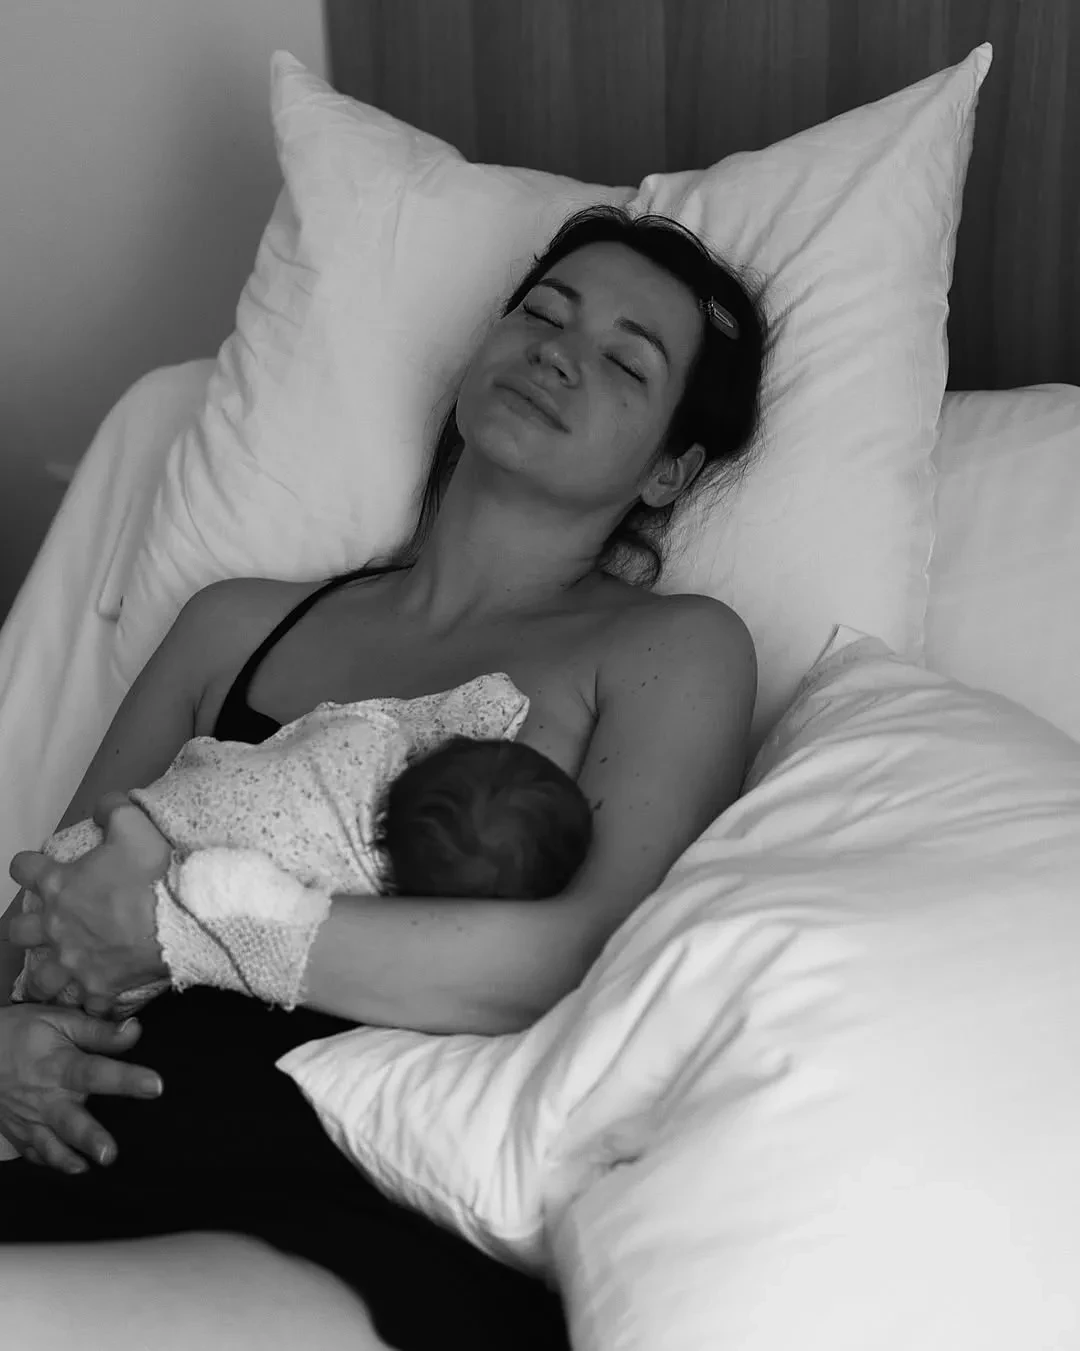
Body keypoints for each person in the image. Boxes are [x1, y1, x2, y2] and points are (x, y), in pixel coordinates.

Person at [0, 203, 766, 1350]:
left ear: (670, 469)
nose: (558, 352)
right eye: (542, 313)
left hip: (352, 1216)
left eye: (625, 360)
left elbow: (584, 960)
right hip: (75, 1158)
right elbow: (43, 912)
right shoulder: (230, 625)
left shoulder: (671, 649)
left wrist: (184, 933)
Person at [11, 680, 592, 1018]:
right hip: (104, 932)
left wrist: (493, 709)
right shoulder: (350, 888)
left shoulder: (367, 739)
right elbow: (225, 897)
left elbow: (420, 718)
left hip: (85, 856)